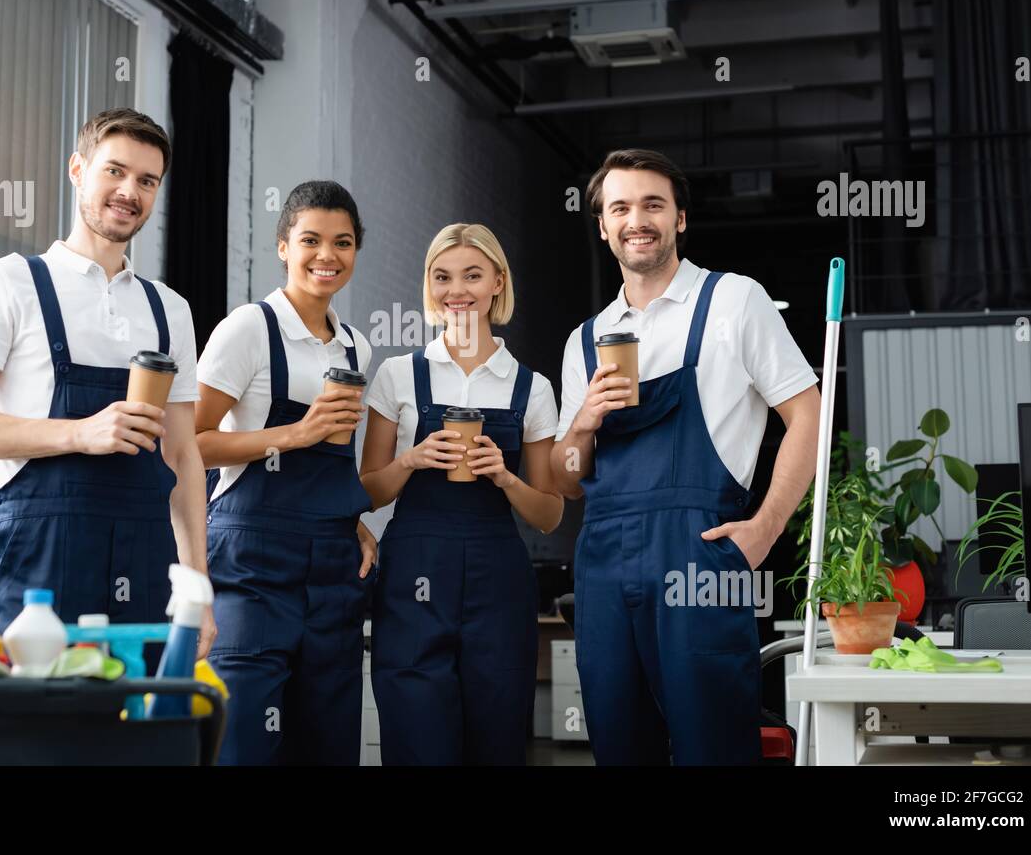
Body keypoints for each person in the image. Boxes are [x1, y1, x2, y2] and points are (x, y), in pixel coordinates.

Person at [550, 148, 821, 765]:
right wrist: (585, 421)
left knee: (713, 745)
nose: (636, 219)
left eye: (653, 204)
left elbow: (808, 412)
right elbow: (568, 481)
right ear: (602, 225)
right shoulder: (584, 339)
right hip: (604, 566)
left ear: (679, 219)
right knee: (620, 746)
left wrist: (766, 527)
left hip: (699, 557)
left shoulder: (733, 301)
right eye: (619, 207)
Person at [0, 108, 213, 655]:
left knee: (140, 732)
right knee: (40, 730)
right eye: (115, 171)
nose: (129, 191)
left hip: (148, 562)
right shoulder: (10, 283)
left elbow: (181, 454)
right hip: (43, 560)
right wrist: (80, 433)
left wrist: (197, 586)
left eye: (147, 181)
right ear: (78, 169)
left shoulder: (169, 310)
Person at [360, 223, 563, 765]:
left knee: (497, 744)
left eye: (473, 275)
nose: (458, 290)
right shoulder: (398, 375)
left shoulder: (531, 387)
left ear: (498, 281)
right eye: (442, 277)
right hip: (412, 579)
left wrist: (505, 476)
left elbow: (549, 515)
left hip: (498, 583)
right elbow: (368, 492)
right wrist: (411, 459)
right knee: (415, 739)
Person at [195, 180, 377, 765]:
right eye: (311, 240)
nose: (327, 255)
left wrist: (353, 520)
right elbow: (190, 445)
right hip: (251, 563)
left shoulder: (356, 348)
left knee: (326, 744)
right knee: (243, 741)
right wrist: (295, 434)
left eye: (342, 242)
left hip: (331, 570)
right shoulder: (248, 329)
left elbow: (339, 458)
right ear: (283, 246)